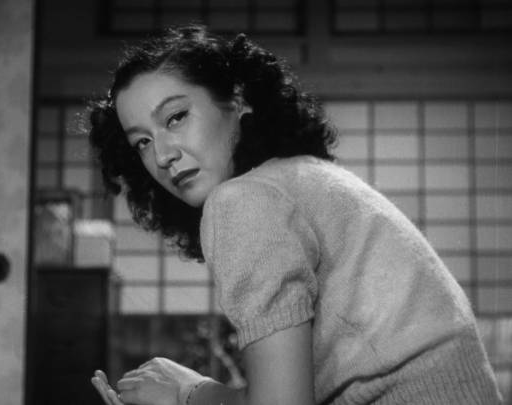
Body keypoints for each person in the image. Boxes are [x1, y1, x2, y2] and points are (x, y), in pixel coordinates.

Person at [88, 25, 502, 405]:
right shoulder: (302, 175)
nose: (162, 155)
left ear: (238, 100)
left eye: (176, 117)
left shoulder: (245, 199)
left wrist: (187, 392)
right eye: (142, 142)